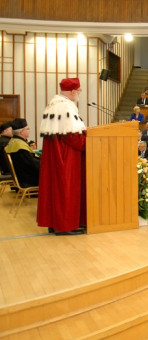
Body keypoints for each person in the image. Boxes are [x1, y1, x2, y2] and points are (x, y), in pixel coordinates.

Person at [37, 78, 87, 235]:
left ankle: (55, 223)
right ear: (73, 91)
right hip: (66, 156)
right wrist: (89, 140)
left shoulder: (53, 104)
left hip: (55, 154)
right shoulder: (66, 107)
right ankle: (65, 225)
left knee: (55, 188)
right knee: (65, 188)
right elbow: (72, 137)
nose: (79, 94)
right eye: (78, 91)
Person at [4, 118, 40, 187]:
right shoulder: (20, 146)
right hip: (28, 180)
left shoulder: (13, 141)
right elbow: (33, 164)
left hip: (22, 178)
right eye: (27, 128)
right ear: (21, 131)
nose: (29, 130)